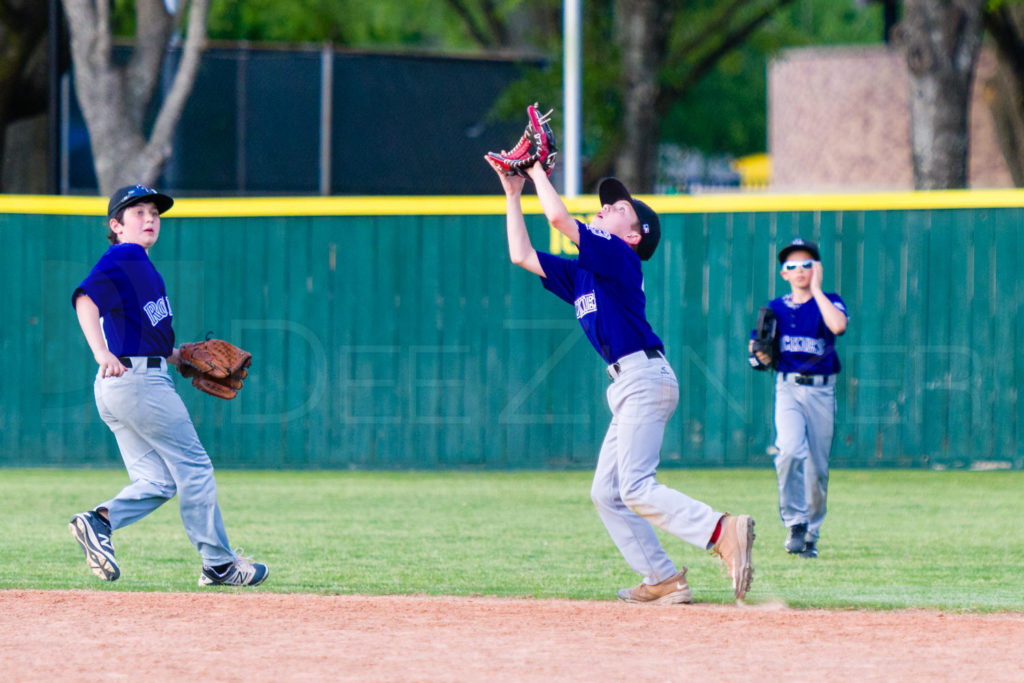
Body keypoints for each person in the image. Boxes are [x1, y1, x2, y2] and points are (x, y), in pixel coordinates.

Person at [486, 157, 755, 602]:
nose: (607, 207)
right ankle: (663, 579)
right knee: (607, 493)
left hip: (644, 376)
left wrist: (536, 171)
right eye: (608, 204)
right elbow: (521, 254)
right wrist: (513, 192)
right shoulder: (585, 273)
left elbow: (556, 217)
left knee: (634, 486)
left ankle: (722, 530)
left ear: (633, 236)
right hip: (631, 381)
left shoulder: (619, 256)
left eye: (620, 208)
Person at [68, 184, 268, 587]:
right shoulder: (124, 256)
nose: (149, 219)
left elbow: (140, 334)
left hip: (123, 385)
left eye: (154, 213)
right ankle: (219, 564)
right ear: (117, 226)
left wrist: (182, 357)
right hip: (137, 382)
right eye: (138, 212)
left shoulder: (141, 267)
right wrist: (100, 352)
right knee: (194, 468)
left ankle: (98, 521)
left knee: (160, 481)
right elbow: (85, 300)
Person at [749, 238, 848, 559]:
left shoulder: (830, 301)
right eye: (792, 265)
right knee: (789, 451)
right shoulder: (775, 308)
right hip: (788, 387)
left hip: (822, 389)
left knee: (817, 469)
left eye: (807, 264)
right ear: (783, 273)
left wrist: (817, 291)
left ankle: (811, 534)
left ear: (817, 269)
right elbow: (756, 351)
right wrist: (759, 357)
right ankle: (795, 522)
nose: (800, 270)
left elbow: (838, 326)